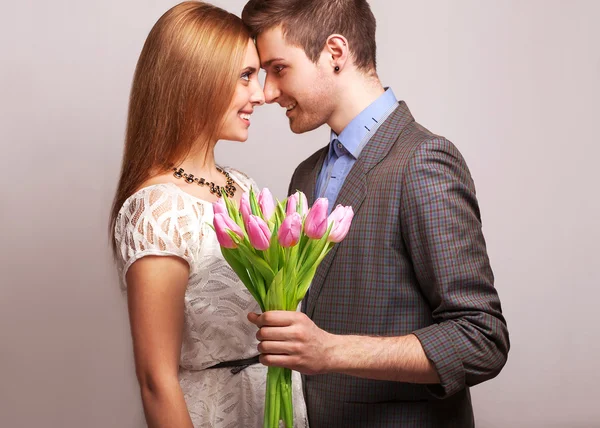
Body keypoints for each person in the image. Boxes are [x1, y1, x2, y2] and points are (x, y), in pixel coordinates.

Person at [241, 0, 510, 426]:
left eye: (278, 69)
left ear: (335, 53)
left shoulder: (423, 160)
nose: (268, 92)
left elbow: (482, 338)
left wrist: (331, 352)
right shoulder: (305, 175)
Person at [109, 2, 308, 427]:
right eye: (245, 76)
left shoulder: (244, 187)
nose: (260, 94)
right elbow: (155, 379)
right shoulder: (157, 209)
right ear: (195, 80)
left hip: (277, 404)